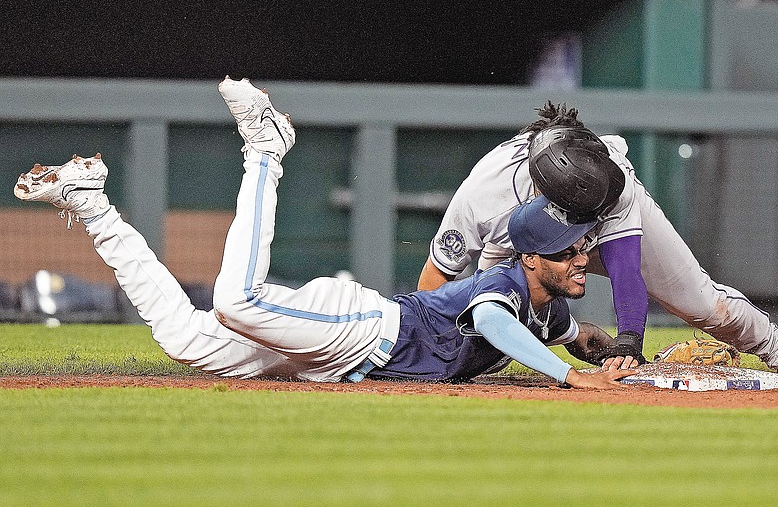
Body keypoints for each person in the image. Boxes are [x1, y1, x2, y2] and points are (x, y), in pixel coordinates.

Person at [13, 77, 637, 388]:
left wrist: (622, 359)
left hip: (342, 356)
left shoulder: (545, 310)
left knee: (185, 338)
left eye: (580, 249)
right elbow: (497, 325)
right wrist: (567, 377)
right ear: (530, 258)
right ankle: (266, 147)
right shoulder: (503, 287)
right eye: (570, 253)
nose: (584, 261)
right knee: (235, 300)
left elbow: (577, 336)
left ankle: (91, 204)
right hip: (365, 329)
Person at [418, 101, 778, 378]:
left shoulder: (607, 179)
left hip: (608, 231)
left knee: (704, 305)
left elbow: (624, 266)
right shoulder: (484, 197)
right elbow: (436, 281)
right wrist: (434, 344)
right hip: (517, 240)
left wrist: (630, 339)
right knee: (497, 310)